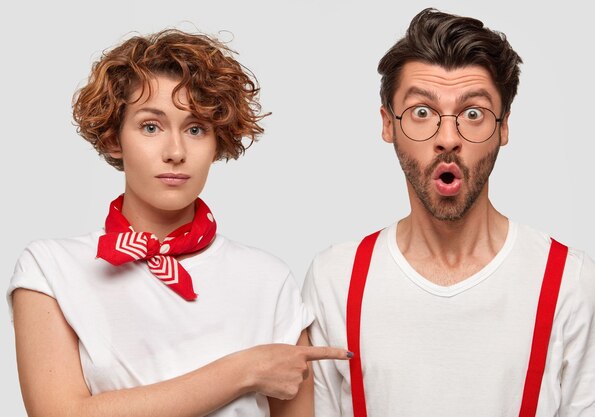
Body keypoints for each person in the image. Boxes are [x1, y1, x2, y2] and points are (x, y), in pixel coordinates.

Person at [8, 29, 350, 417]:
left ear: (217, 141)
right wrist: (243, 370)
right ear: (114, 138)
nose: (175, 152)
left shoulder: (267, 280)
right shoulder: (52, 269)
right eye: (151, 127)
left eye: (195, 129)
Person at [302, 8, 595, 417]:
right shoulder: (336, 278)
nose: (447, 138)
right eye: (422, 112)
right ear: (388, 124)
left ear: (503, 127)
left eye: (473, 113)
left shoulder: (572, 284)